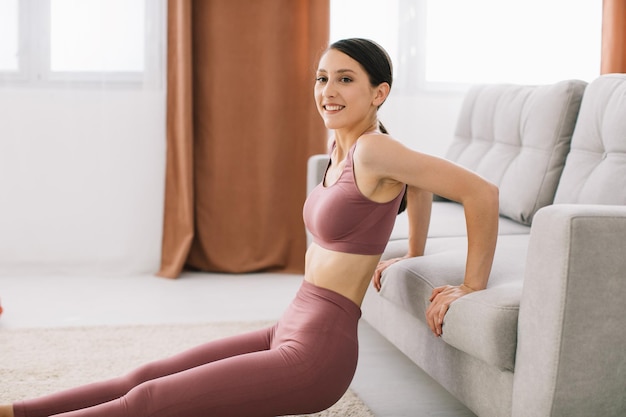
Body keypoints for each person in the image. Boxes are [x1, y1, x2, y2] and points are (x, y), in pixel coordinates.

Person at [0, 38, 498, 417]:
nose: (328, 91)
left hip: (317, 355)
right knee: (145, 375)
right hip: (289, 325)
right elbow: (421, 183)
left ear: (378, 93)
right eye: (322, 78)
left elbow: (482, 192)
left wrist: (471, 286)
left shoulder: (374, 148)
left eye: (345, 80)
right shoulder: (344, 149)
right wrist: (412, 251)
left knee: (149, 401)